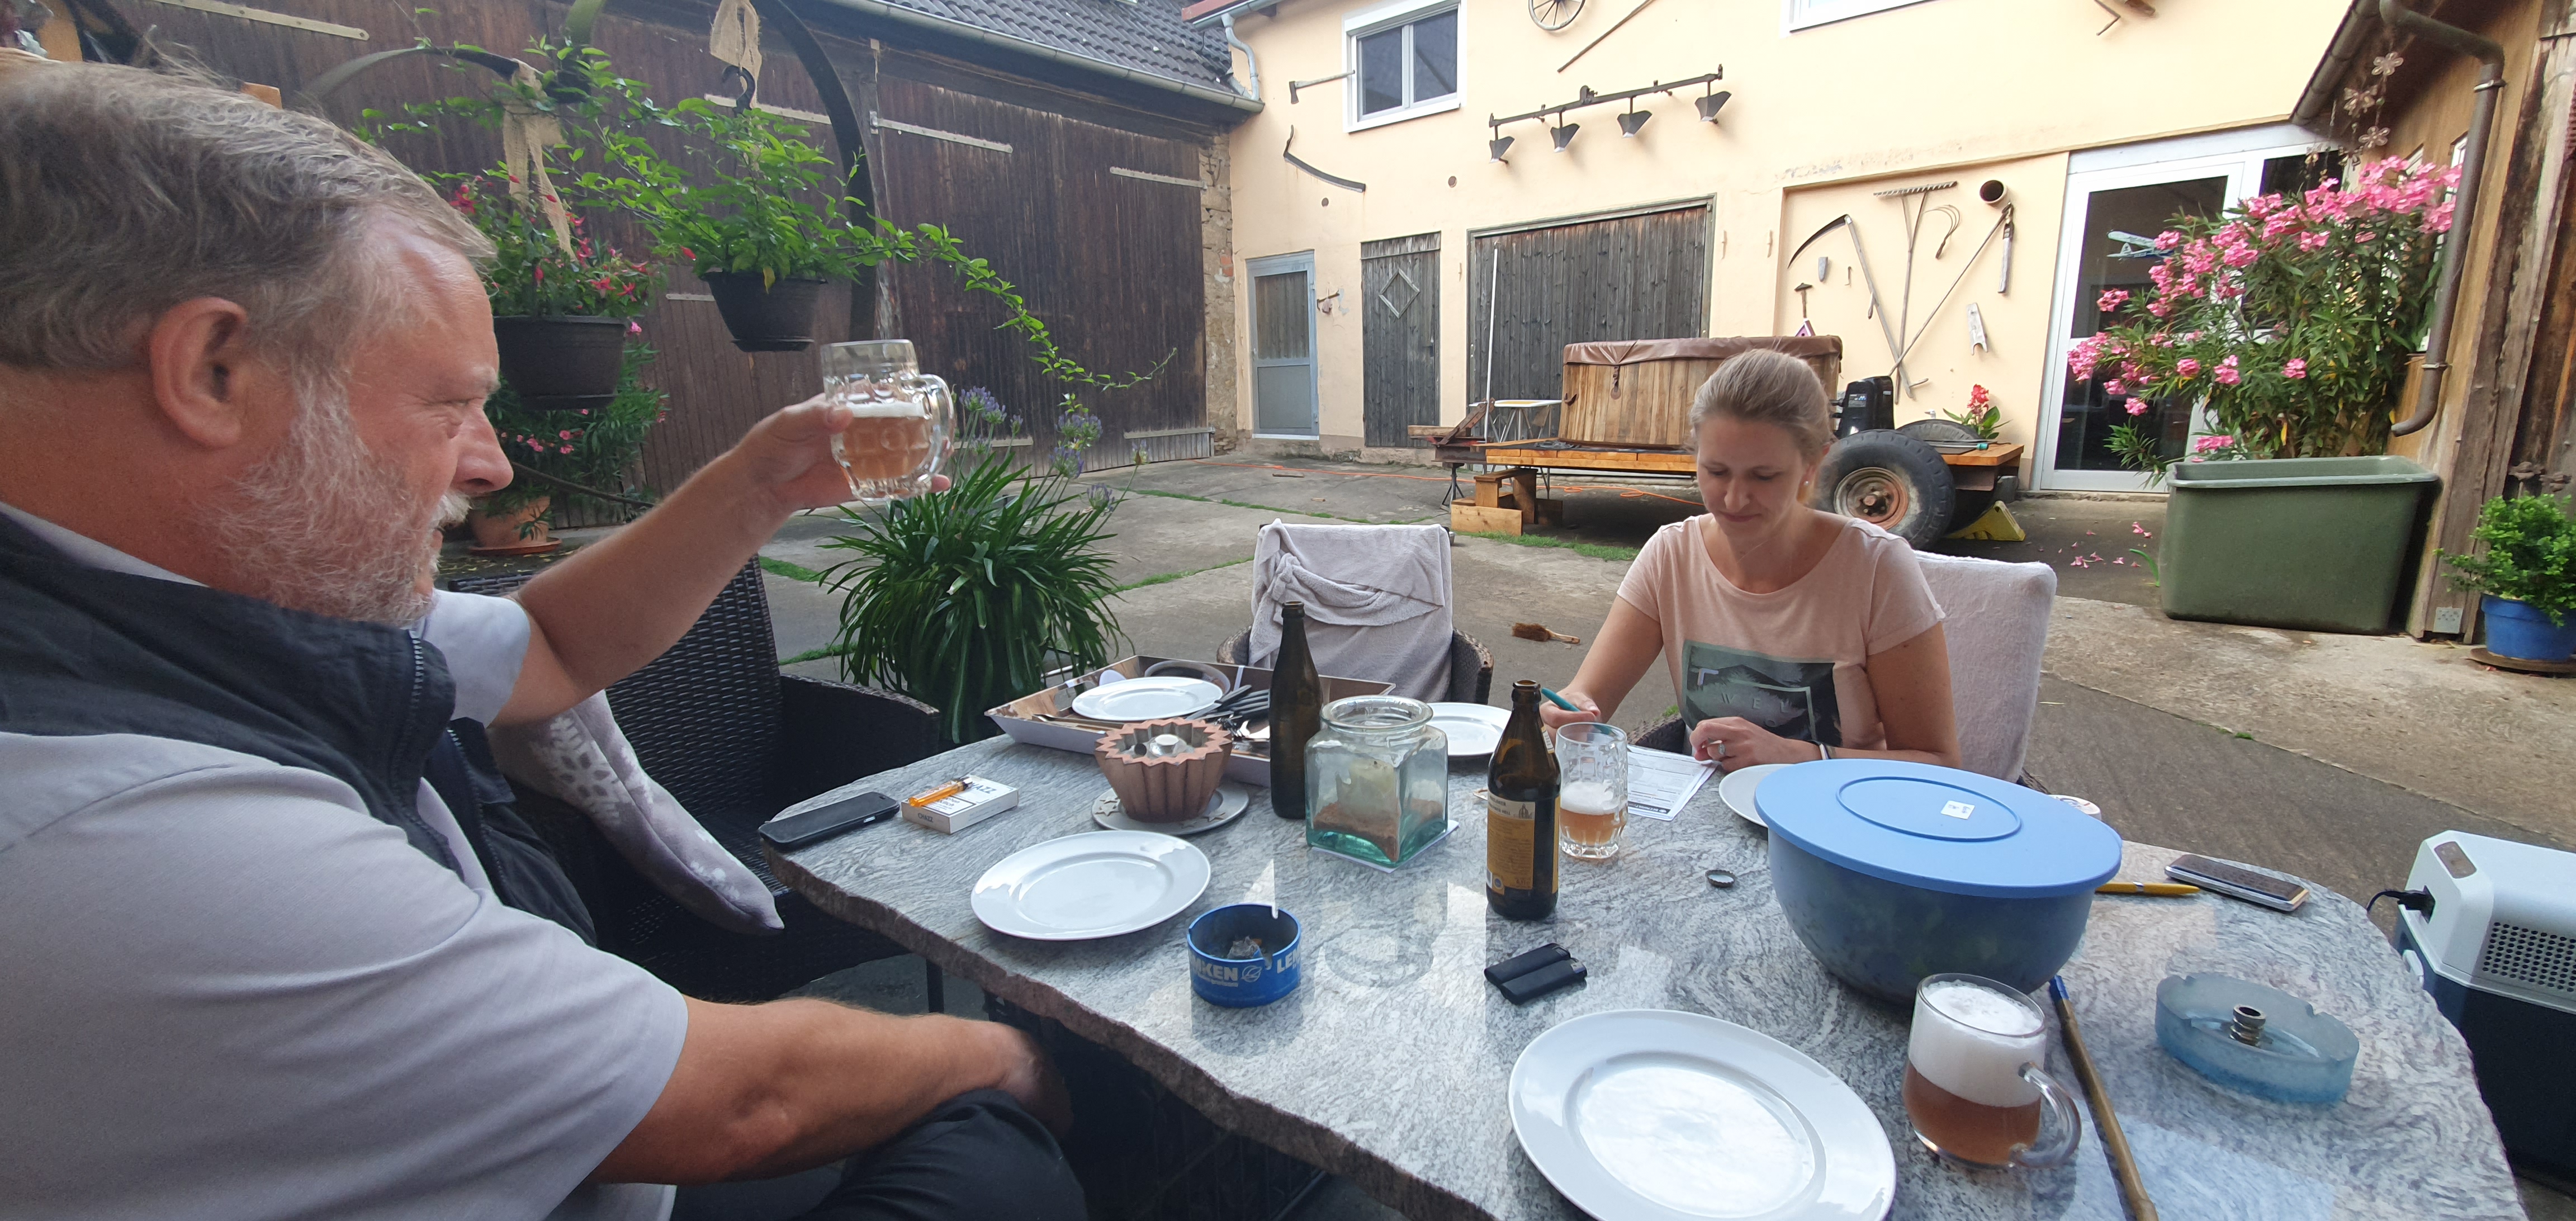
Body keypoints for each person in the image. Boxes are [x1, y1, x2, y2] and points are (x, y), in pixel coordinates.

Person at [0, 60, 1082, 1220]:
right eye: (449, 404)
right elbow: (740, 1103)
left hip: (569, 1157)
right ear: (212, 370)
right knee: (992, 1156)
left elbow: (550, 647)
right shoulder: (123, 828)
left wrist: (761, 481)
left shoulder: (202, 613)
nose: (492, 464)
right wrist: (1007, 1058)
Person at [1540, 351, 1963, 772]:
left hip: (1837, 809)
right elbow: (1589, 698)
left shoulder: (1875, 568)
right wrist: (1573, 711)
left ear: (1813, 463)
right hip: (1704, 806)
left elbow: (1937, 763)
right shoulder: (1672, 554)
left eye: (1764, 477)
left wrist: (1795, 756)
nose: (1734, 499)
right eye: (1716, 471)